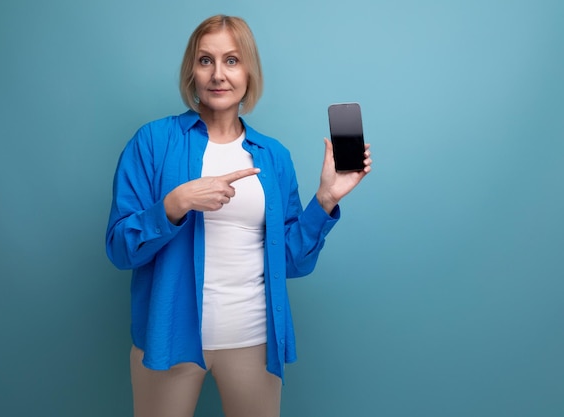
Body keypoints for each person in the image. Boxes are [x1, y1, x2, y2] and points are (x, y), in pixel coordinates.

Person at [105, 14, 372, 417]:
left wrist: (325, 200)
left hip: (254, 340)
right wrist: (174, 206)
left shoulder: (273, 156)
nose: (218, 74)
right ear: (191, 71)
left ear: (249, 71)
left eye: (231, 60)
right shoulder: (153, 142)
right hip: (168, 339)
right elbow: (119, 249)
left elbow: (292, 262)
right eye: (205, 60)